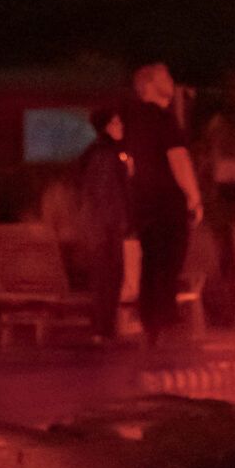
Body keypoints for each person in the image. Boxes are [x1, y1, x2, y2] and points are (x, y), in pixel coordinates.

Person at [118, 62, 204, 342]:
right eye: (164, 76)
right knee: (169, 261)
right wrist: (193, 196)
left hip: (143, 203)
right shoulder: (164, 119)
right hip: (167, 202)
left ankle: (149, 323)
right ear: (149, 85)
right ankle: (165, 321)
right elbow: (177, 158)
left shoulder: (134, 121)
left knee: (151, 263)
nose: (170, 80)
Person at [74, 106, 134, 343]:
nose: (121, 127)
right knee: (107, 277)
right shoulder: (105, 154)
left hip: (102, 226)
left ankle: (105, 329)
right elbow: (104, 193)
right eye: (117, 123)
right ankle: (103, 330)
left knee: (108, 277)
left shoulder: (99, 152)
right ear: (107, 126)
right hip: (105, 227)